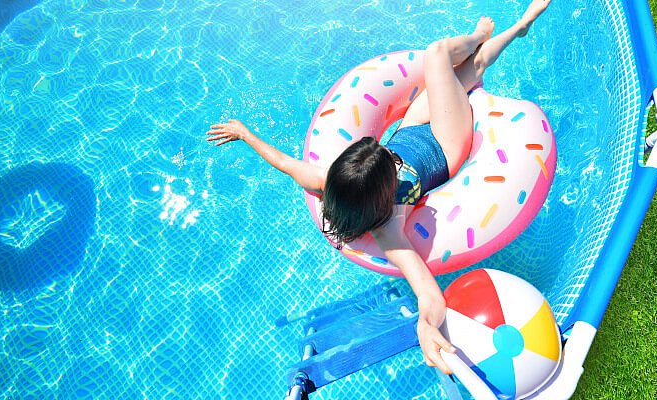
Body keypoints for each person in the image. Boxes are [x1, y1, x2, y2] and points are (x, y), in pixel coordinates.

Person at [207, 0, 552, 375]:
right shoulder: (390, 228)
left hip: (409, 131)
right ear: (386, 193)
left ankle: (509, 31)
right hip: (443, 144)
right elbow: (427, 292)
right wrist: (426, 324)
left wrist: (244, 133)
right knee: (450, 58)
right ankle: (497, 31)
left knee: (462, 70)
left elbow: (285, 163)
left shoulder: (333, 183)